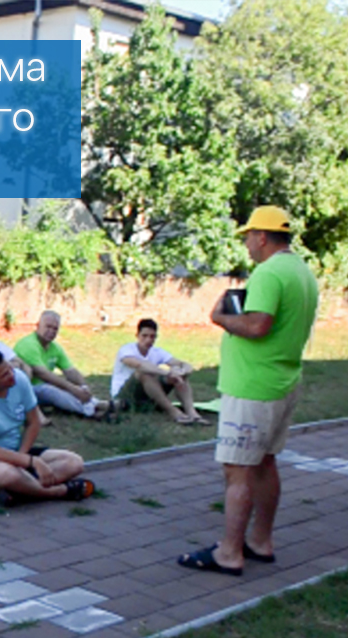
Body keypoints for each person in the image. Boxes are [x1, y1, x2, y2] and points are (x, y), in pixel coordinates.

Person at [179, 206, 318, 576]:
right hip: (282, 380)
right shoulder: (301, 271)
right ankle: (260, 540)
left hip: (253, 388)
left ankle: (229, 552)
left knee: (237, 469)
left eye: (248, 236)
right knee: (265, 463)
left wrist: (221, 318)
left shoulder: (269, 273)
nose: (246, 244)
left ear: (262, 236)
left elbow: (257, 326)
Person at [0, 348, 95, 503]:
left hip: (14, 450)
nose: (11, 375)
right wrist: (31, 462)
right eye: (4, 375)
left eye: (9, 369)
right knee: (6, 474)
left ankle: (19, 489)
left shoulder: (19, 379)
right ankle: (58, 491)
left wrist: (22, 458)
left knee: (74, 463)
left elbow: (33, 422)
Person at [15, 311, 113, 419]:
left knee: (61, 387)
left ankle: (99, 404)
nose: (51, 331)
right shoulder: (28, 345)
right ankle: (92, 410)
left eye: (55, 329)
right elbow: (44, 375)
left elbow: (71, 371)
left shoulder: (54, 347)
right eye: (48, 327)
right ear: (37, 326)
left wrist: (83, 387)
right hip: (25, 391)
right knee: (51, 389)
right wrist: (74, 389)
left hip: (42, 389)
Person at [109, 319, 209, 425]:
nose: (148, 340)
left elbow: (181, 363)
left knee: (178, 376)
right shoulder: (126, 350)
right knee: (144, 374)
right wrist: (168, 373)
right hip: (124, 397)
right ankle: (174, 412)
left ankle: (192, 413)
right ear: (137, 335)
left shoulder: (157, 352)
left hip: (148, 396)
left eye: (152, 336)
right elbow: (139, 365)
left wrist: (182, 371)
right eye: (144, 336)